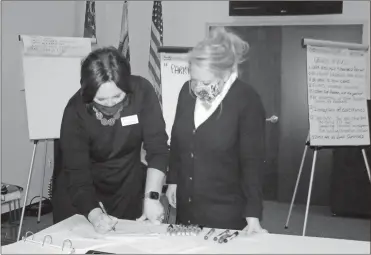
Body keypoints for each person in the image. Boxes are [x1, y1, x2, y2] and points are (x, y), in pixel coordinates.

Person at [52, 47, 169, 234]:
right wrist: (95, 214)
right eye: (102, 99)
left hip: (127, 187)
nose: (111, 103)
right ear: (88, 93)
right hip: (82, 194)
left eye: (117, 96)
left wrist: (152, 197)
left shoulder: (141, 92)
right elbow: (77, 175)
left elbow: (158, 149)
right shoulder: (75, 111)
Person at [166, 27, 268, 234]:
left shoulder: (246, 99)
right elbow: (178, 143)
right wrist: (174, 180)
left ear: (226, 73)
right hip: (187, 207)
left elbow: (252, 162)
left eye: (206, 82)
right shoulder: (186, 93)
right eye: (194, 79)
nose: (198, 87)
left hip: (225, 211)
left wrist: (253, 213)